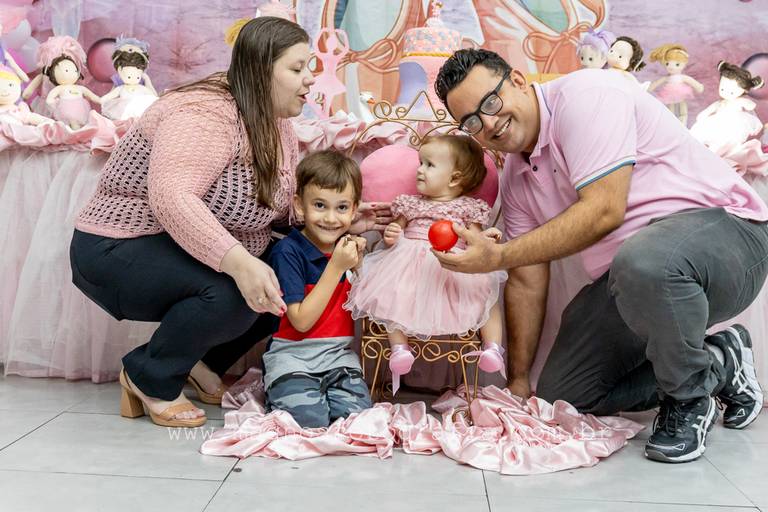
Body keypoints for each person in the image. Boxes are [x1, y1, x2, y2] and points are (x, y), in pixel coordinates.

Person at [432, 48, 768, 463]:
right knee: (566, 394)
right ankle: (719, 359)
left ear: (517, 81)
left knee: (644, 261)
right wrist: (517, 382)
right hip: (633, 279)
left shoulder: (587, 95)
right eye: (471, 121)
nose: (487, 124)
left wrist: (497, 256)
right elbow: (526, 279)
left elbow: (604, 210)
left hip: (728, 239)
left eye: (490, 102)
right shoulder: (516, 177)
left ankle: (689, 398)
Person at [69, 17, 390, 428]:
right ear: (260, 70)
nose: (310, 78)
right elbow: (173, 197)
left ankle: (199, 362)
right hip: (117, 246)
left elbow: (270, 205)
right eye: (297, 68)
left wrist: (339, 222)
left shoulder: (274, 120)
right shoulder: (203, 114)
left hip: (173, 243)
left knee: (286, 274)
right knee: (238, 291)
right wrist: (240, 264)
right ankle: (148, 376)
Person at [344, 135, 507, 394]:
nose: (419, 170)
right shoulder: (411, 204)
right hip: (411, 264)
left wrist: (486, 237)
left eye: (429, 165)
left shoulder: (469, 208)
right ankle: (400, 348)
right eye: (421, 162)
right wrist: (393, 234)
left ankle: (492, 348)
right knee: (392, 295)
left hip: (452, 264)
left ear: (454, 178)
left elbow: (474, 239)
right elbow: (396, 229)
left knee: (487, 294)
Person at [264, 150, 372, 428]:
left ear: (354, 209)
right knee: (310, 421)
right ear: (300, 205)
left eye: (342, 207)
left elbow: (365, 306)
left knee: (357, 421)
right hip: (292, 359)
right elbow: (300, 322)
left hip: (339, 359)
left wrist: (359, 265)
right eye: (320, 205)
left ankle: (322, 393)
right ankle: (278, 389)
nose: (331, 218)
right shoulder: (288, 251)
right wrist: (336, 267)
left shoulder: (346, 249)